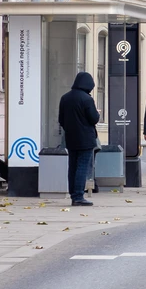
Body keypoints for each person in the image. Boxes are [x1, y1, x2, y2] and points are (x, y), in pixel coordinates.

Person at [58, 72, 100, 206]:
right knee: (82, 167)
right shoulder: (87, 99)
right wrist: (97, 113)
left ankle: (73, 194)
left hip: (71, 138)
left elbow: (61, 119)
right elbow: (94, 118)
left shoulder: (65, 98)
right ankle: (78, 196)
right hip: (86, 138)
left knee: (73, 167)